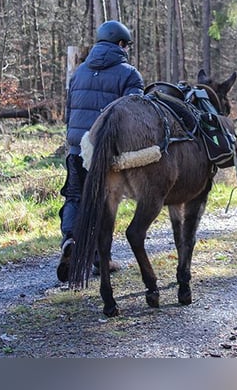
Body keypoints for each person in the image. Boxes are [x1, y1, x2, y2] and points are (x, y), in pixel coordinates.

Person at [56, 20, 144, 282]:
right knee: (103, 203)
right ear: (120, 44)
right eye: (125, 45)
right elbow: (135, 114)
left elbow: (69, 113)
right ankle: (100, 258)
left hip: (75, 148)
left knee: (74, 198)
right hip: (105, 151)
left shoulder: (79, 72)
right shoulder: (129, 74)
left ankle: (70, 239)